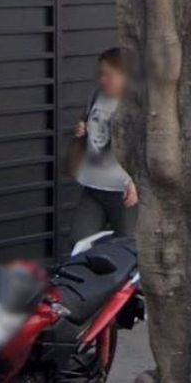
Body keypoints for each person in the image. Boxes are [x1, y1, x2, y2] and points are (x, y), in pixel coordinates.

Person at [68, 47, 138, 247]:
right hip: (93, 185)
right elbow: (89, 119)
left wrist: (136, 181)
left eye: (109, 75)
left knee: (127, 246)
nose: (103, 79)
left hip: (124, 190)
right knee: (79, 242)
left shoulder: (137, 105)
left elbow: (145, 146)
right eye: (101, 74)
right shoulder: (97, 95)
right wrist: (83, 127)